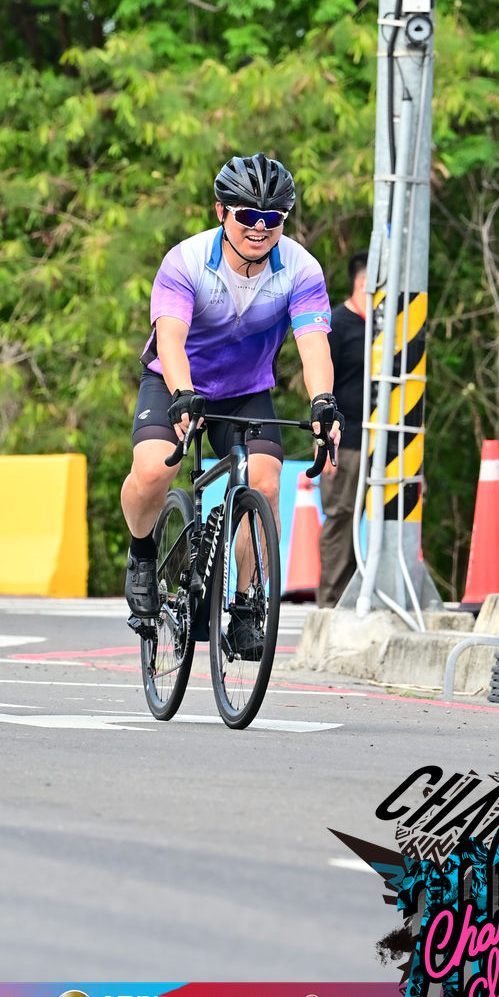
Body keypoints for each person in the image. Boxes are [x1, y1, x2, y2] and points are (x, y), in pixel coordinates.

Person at [120, 152, 342, 657]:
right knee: (153, 470)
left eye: (272, 217)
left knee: (264, 482)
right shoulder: (186, 261)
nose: (260, 228)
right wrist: (182, 394)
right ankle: (141, 552)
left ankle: (245, 607)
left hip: (245, 390)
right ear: (222, 212)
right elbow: (170, 339)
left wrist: (323, 402)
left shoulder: (301, 269)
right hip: (177, 382)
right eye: (247, 215)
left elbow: (314, 346)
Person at [317, 250, 368, 609]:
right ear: (363, 283)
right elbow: (321, 387)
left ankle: (364, 599)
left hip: (384, 444)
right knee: (341, 519)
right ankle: (332, 604)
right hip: (344, 443)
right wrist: (322, 442)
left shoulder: (390, 327)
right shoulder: (338, 324)